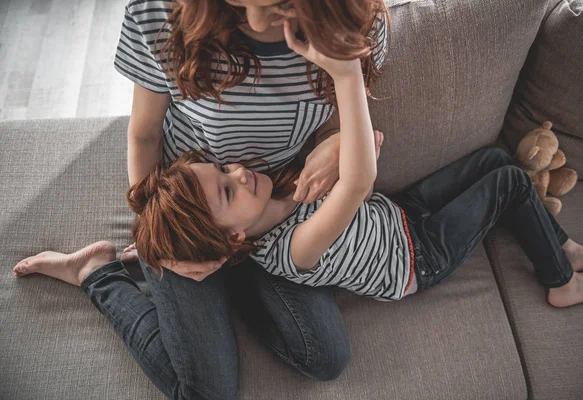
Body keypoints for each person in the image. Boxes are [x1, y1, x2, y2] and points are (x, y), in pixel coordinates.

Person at [12, 0, 390, 399]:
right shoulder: (159, 12)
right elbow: (144, 136)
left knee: (326, 356)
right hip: (192, 210)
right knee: (207, 393)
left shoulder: (357, 23)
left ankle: (231, 271)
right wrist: (160, 236)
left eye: (281, 5)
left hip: (272, 213)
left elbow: (341, 116)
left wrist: (337, 139)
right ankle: (95, 271)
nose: (259, 22)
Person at [123, 20, 583, 309]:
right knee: (512, 182)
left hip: (398, 215)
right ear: (233, 239)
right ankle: (562, 282)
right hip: (416, 258)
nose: (238, 172)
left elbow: (356, 179)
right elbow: (355, 186)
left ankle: (564, 249)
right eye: (228, 190)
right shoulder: (291, 250)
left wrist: (348, 148)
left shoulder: (280, 190)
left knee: (495, 158)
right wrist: (344, 73)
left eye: (222, 170)